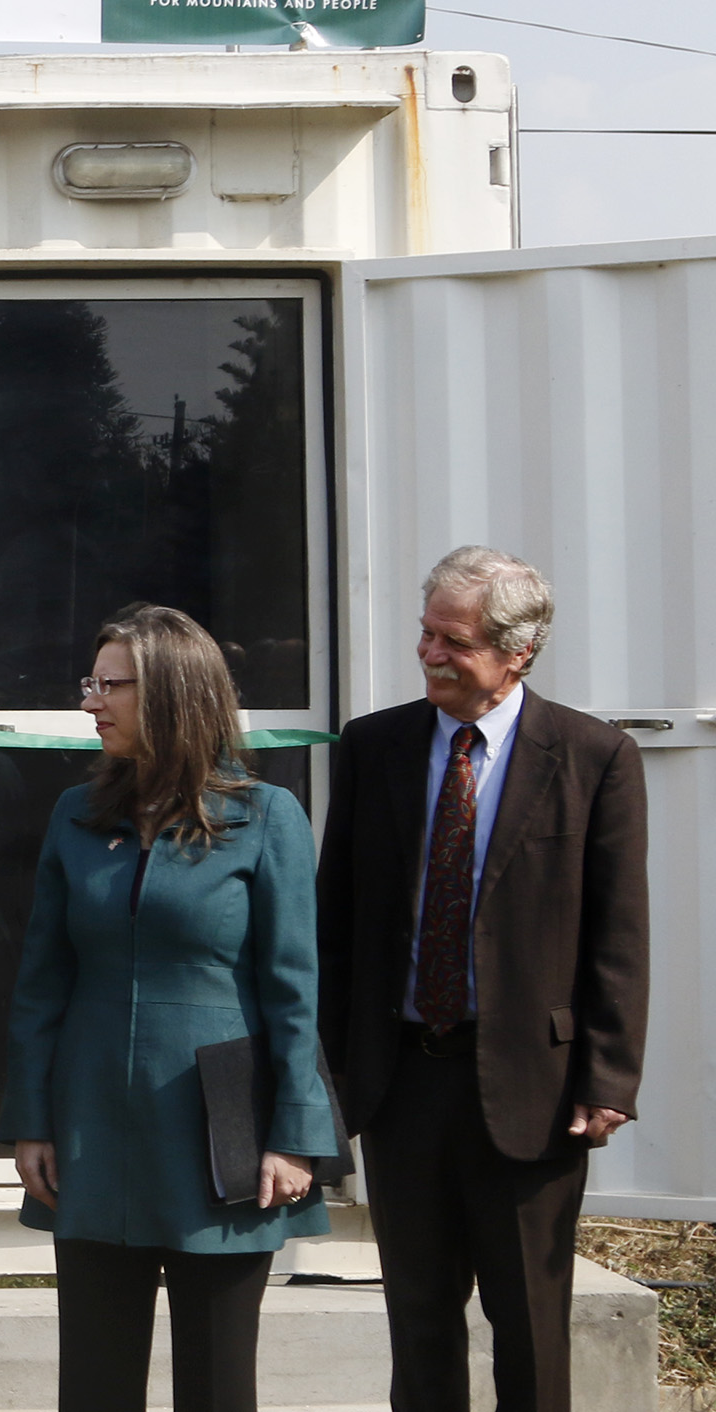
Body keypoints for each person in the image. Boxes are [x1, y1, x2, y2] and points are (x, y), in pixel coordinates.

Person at [318, 546, 647, 1412]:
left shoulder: (593, 756)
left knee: (530, 1324)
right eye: (425, 634)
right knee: (418, 1320)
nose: (429, 654)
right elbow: (338, 919)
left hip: (533, 1091)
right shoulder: (373, 747)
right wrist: (332, 1068)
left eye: (453, 641)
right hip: (402, 1079)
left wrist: (609, 1076)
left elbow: (618, 931)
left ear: (518, 653)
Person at [4, 604, 333, 1412]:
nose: (91, 702)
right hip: (91, 1129)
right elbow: (41, 982)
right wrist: (32, 1121)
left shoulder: (265, 817)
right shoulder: (75, 818)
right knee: (94, 1381)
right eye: (92, 681)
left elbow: (293, 990)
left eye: (111, 684)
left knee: (218, 1384)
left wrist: (294, 1136)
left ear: (176, 695)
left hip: (222, 1133)